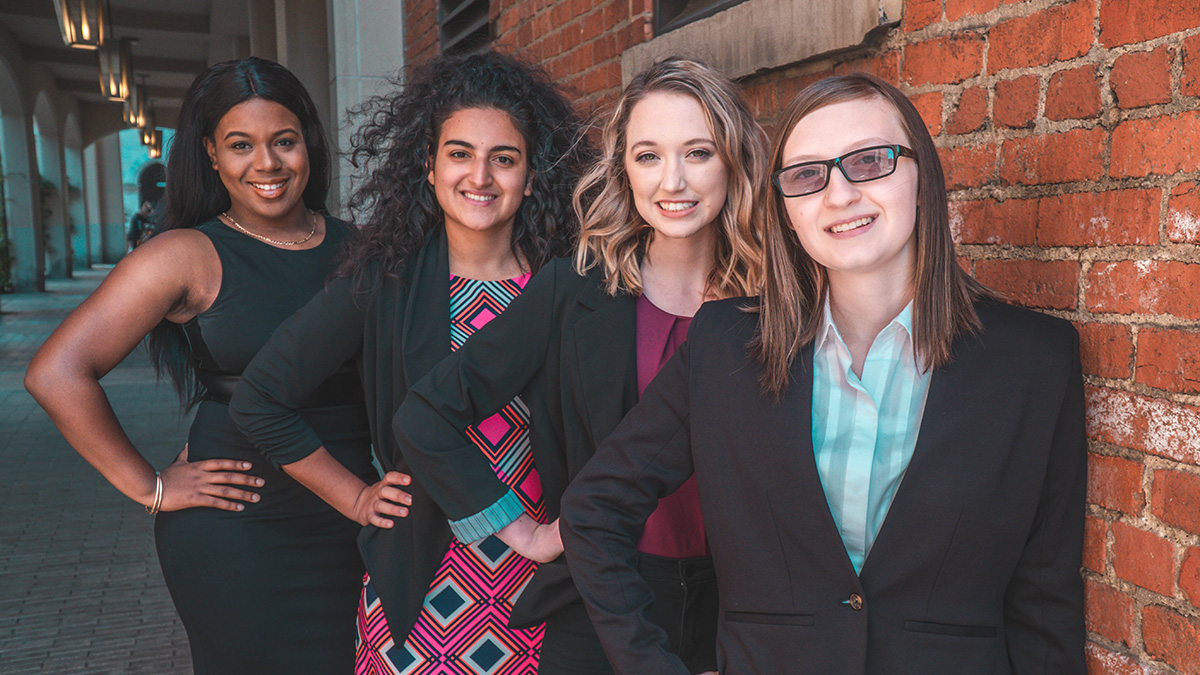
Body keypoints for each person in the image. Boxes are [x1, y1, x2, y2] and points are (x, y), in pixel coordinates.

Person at [560, 72, 1087, 674]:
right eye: (808, 174)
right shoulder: (725, 344)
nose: (839, 195)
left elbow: (1045, 602)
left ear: (923, 177)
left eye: (869, 161)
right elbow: (594, 509)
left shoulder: (1034, 362)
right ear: (787, 211)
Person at [393, 57, 766, 674]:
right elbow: (426, 415)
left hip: (742, 607)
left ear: (734, 160)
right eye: (648, 156)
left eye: (697, 152)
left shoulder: (779, 302)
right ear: (623, 168)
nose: (672, 181)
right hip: (602, 603)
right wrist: (529, 535)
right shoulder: (573, 291)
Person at [228, 50, 591, 675]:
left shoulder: (572, 286)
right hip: (428, 581)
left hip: (549, 574)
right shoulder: (385, 281)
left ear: (532, 177)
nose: (480, 176)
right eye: (459, 154)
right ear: (428, 166)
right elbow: (259, 396)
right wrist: (356, 498)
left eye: (504, 158)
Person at [25, 57, 372, 673]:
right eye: (241, 145)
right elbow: (56, 373)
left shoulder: (362, 249)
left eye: (284, 142)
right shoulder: (186, 254)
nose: (266, 164)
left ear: (309, 145)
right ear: (211, 153)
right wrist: (148, 487)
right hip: (240, 531)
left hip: (358, 518)